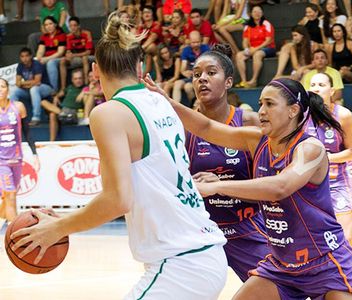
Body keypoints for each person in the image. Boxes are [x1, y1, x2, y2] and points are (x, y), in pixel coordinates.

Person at [10, 13, 228, 300]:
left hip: (181, 263)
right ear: (140, 65)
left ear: (95, 69)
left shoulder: (109, 113)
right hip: (200, 253)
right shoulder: (160, 101)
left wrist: (57, 228)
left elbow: (117, 200)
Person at [145, 74, 352, 300]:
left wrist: (219, 186)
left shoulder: (311, 148)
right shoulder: (257, 140)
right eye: (261, 103)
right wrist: (167, 101)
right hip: (282, 266)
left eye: (270, 104)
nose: (261, 111)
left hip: (325, 261)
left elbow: (280, 187)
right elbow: (206, 127)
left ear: (293, 110)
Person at [184, 44, 271, 282]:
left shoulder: (251, 122)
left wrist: (220, 184)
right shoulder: (181, 128)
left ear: (229, 82)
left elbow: (269, 189)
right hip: (200, 232)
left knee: (276, 291)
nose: (202, 78)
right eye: (197, 74)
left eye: (211, 73)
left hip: (246, 227)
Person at [306, 72, 352, 283]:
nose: (316, 88)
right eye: (313, 84)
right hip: (311, 186)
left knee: (346, 236)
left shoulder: (343, 115)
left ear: (332, 90)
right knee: (316, 236)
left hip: (337, 184)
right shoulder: (302, 116)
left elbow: (351, 153)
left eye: (321, 84)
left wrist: (326, 158)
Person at [0, 78, 39, 223]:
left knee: (9, 196)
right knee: (10, 196)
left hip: (16, 158)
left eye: (2, 86)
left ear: (8, 89)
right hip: (1, 161)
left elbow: (27, 131)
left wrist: (34, 153)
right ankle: (16, 236)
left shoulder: (18, 107)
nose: (0, 90)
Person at [10, 47, 54, 125]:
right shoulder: (20, 66)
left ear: (31, 56)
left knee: (34, 89)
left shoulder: (36, 64)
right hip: (30, 89)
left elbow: (37, 81)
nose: (25, 58)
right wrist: (29, 83)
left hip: (45, 88)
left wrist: (23, 83)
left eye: (26, 56)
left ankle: (36, 118)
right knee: (14, 91)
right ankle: (14, 117)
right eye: (22, 56)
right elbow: (17, 83)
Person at [235, 5, 276, 88]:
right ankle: (244, 81)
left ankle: (254, 80)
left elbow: (269, 40)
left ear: (262, 13)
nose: (257, 13)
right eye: (255, 11)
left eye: (259, 11)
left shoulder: (266, 24)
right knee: (239, 55)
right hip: (252, 48)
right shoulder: (248, 26)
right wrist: (246, 49)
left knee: (257, 54)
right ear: (251, 14)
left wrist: (256, 49)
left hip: (268, 48)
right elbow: (245, 41)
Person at [40, 69, 86, 141]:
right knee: (44, 103)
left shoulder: (85, 88)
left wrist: (84, 92)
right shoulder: (69, 87)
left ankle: (63, 114)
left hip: (74, 114)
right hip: (63, 112)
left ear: (83, 79)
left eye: (80, 78)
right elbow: (60, 94)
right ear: (72, 80)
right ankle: (52, 141)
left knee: (53, 113)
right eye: (75, 79)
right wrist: (56, 97)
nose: (78, 80)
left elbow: (94, 91)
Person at [172, 30, 210, 104]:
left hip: (202, 77)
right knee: (177, 83)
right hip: (191, 76)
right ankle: (176, 107)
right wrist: (185, 72)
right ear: (189, 41)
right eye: (193, 43)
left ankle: (193, 106)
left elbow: (208, 66)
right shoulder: (186, 50)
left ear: (201, 41)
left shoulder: (206, 49)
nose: (196, 44)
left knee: (188, 87)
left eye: (197, 42)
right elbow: (183, 68)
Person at [59, 16, 93, 92]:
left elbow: (88, 52)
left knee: (84, 58)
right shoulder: (68, 36)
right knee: (62, 61)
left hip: (89, 56)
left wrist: (74, 55)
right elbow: (68, 50)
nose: (72, 28)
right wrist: (68, 55)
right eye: (70, 26)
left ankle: (86, 84)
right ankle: (63, 88)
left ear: (79, 26)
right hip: (77, 57)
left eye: (74, 25)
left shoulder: (87, 33)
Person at [36, 16, 66, 92]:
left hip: (58, 58)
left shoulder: (61, 35)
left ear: (55, 24)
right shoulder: (44, 37)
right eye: (46, 25)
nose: (48, 26)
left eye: (50, 24)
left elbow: (60, 52)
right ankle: (36, 85)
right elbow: (40, 50)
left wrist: (46, 59)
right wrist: (39, 58)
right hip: (46, 58)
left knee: (50, 63)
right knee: (34, 61)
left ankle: (53, 90)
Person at [137, 5, 162, 75]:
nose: (146, 14)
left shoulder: (157, 24)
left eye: (148, 12)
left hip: (159, 49)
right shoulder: (141, 27)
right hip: (144, 52)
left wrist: (141, 48)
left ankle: (143, 75)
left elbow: (153, 37)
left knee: (151, 46)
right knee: (148, 52)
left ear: (153, 14)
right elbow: (138, 40)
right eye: (144, 12)